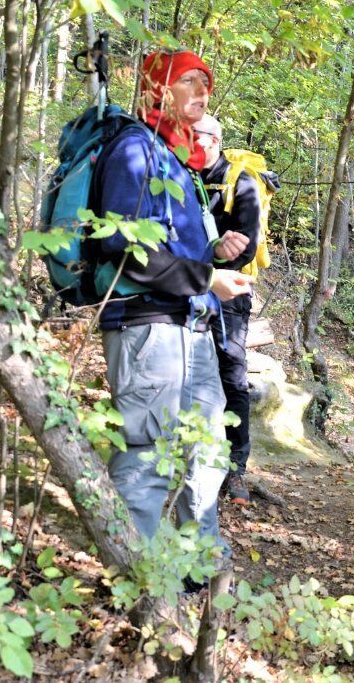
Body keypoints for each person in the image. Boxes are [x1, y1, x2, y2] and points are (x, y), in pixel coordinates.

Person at [93, 50, 252, 553]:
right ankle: (139, 586)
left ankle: (198, 572)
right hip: (147, 329)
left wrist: (212, 253)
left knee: (206, 454)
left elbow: (166, 249)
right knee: (146, 454)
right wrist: (209, 277)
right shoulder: (135, 150)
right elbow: (129, 255)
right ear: (156, 88)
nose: (202, 91)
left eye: (206, 81)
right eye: (188, 80)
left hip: (191, 327)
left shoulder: (173, 159)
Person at [195, 113, 260, 507]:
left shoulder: (241, 182)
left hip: (230, 296)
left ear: (216, 140)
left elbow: (247, 248)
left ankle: (235, 469)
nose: (190, 143)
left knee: (231, 377)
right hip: (186, 286)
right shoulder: (182, 176)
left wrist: (215, 270)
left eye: (197, 136)